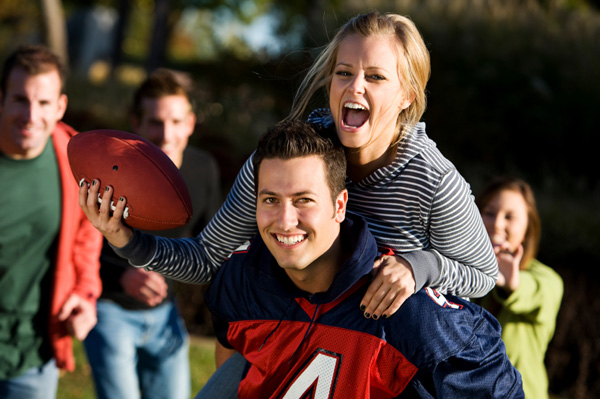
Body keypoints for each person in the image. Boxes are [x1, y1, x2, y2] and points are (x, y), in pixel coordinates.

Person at [78, 11, 498, 396]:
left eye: (376, 77)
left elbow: (484, 275)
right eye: (343, 72)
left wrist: (418, 266)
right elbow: (208, 258)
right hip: (287, 332)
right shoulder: (288, 158)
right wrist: (127, 240)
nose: (355, 87)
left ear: (407, 94)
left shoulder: (433, 180)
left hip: (377, 358)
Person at [201, 120, 523, 398]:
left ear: (340, 206)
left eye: (304, 200)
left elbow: (493, 381)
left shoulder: (403, 310)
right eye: (270, 199)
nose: (285, 221)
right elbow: (230, 348)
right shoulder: (239, 279)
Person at [83, 68, 221, 399]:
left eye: (176, 122)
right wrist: (120, 278)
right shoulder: (106, 171)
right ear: (136, 123)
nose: (166, 134)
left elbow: (215, 247)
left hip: (165, 312)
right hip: (109, 309)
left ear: (190, 123)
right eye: (156, 122)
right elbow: (77, 245)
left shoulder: (203, 169)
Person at [0, 45, 103, 399]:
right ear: (2, 98)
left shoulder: (76, 160)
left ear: (60, 106)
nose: (31, 115)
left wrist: (84, 296)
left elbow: (86, 242)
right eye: (19, 100)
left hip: (34, 357)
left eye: (43, 103)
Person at [476, 177, 563, 399]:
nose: (497, 224)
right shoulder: (462, 274)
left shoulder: (547, 279)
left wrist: (512, 284)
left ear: (527, 229)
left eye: (509, 217)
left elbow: (536, 291)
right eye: (489, 213)